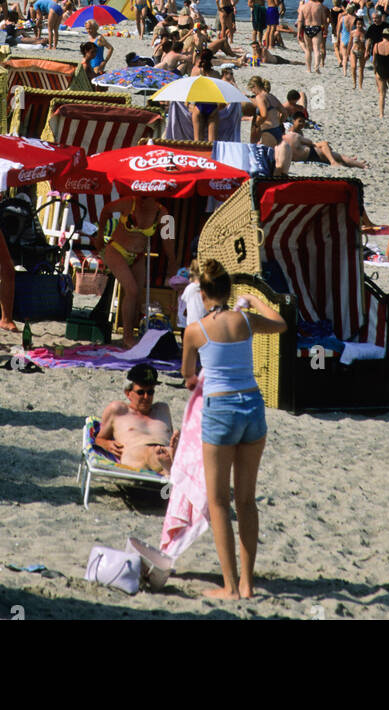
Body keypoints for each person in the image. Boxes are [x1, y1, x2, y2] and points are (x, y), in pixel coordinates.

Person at [181, 259, 286, 599]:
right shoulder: (244, 320)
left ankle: (229, 586)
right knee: (246, 501)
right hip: (252, 407)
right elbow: (280, 324)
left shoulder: (195, 330)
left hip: (221, 410)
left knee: (218, 503)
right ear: (229, 289)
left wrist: (195, 379)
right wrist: (254, 301)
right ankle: (248, 584)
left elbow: (187, 375)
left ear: (202, 292)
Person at [96, 195, 173, 349]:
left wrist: (173, 263)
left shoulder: (163, 213)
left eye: (144, 196)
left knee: (137, 295)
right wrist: (100, 234)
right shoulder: (128, 202)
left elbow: (168, 241)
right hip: (116, 250)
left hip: (138, 256)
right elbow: (106, 210)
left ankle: (134, 333)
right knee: (132, 290)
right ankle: (127, 337)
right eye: (139, 193)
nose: (141, 197)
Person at [97, 365, 179, 476]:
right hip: (135, 454)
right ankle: (166, 468)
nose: (146, 397)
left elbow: (170, 440)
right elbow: (99, 438)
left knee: (169, 451)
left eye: (150, 392)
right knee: (155, 453)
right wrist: (107, 444)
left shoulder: (162, 409)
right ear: (128, 393)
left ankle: (166, 468)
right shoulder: (118, 410)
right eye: (141, 392)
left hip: (164, 451)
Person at [372, 24, 389, 120]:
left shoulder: (376, 46)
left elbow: (374, 61)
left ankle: (381, 114)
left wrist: (375, 71)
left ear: (382, 36)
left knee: (382, 94)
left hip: (380, 71)